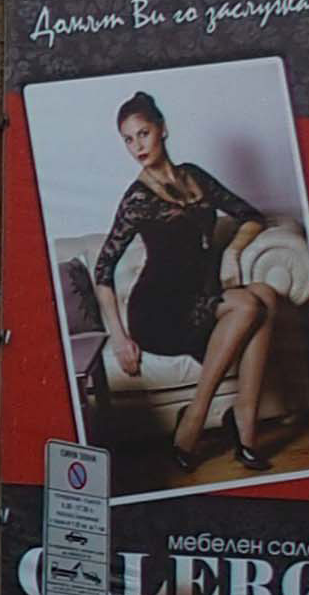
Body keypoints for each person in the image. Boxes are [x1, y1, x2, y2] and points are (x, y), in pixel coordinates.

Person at [95, 91, 280, 474]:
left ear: (163, 129)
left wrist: (232, 253)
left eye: (143, 134)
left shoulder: (195, 176)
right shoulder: (137, 199)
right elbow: (103, 269)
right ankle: (194, 420)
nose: (137, 146)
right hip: (159, 309)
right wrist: (118, 336)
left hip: (200, 295)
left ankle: (245, 426)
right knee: (248, 305)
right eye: (128, 140)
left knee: (265, 295)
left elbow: (251, 216)